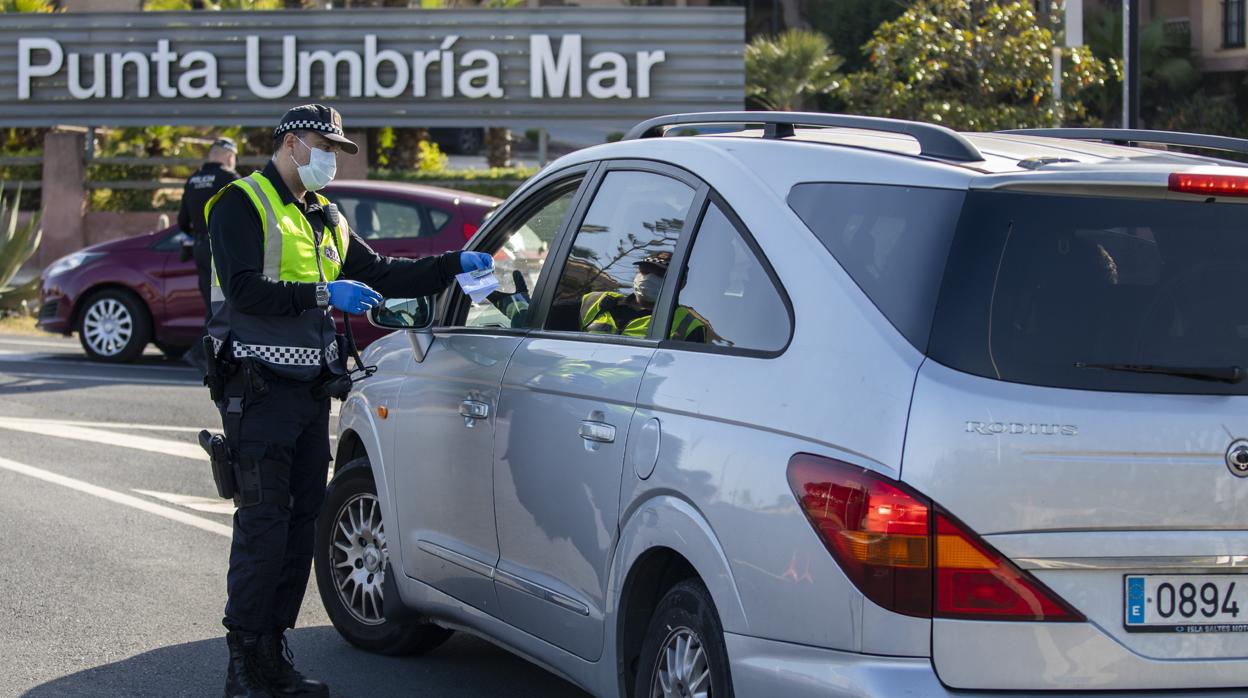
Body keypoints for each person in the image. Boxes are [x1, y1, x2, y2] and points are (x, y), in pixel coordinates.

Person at [204, 104, 491, 698]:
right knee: (262, 526)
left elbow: (384, 271)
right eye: (321, 144)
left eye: (336, 147)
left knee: (299, 526)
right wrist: (321, 293)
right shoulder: (241, 202)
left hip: (310, 394)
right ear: (289, 144)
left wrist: (452, 266)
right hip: (256, 393)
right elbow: (242, 289)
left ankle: (272, 656)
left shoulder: (325, 216)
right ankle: (243, 665)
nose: (330, 157)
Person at [178, 136, 239, 372]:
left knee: (211, 303)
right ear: (229, 156)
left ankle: (208, 353)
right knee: (224, 304)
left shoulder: (193, 180)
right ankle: (200, 353)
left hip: (200, 248)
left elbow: (183, 222)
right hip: (221, 248)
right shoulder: (229, 179)